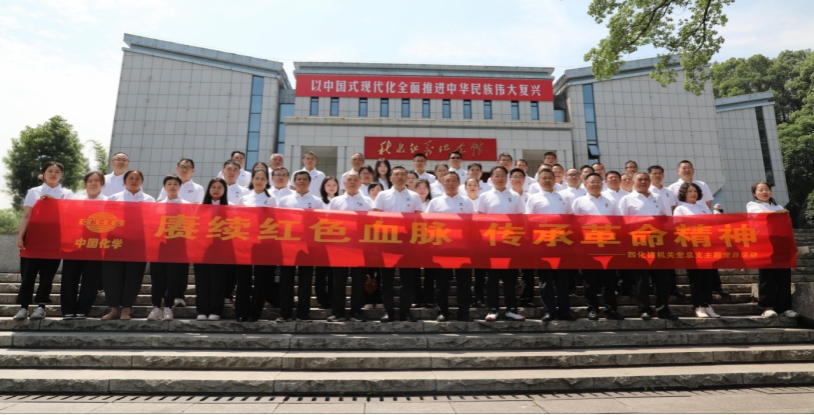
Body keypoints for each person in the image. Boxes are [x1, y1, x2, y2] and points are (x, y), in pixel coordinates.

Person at [14, 161, 74, 320]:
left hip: (54, 240)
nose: (53, 174)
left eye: (57, 171)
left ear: (61, 175)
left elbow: (69, 215)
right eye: (50, 171)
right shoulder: (33, 192)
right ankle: (24, 307)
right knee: (28, 274)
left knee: (47, 275)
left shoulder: (67, 193)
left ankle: (41, 306)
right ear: (44, 174)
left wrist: (53, 202)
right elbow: (26, 215)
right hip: (33, 239)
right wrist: (20, 236)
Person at [617, 173, 678, 320]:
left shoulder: (658, 197)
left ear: (650, 182)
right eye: (640, 179)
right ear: (633, 182)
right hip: (639, 244)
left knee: (663, 279)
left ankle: (663, 309)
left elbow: (667, 218)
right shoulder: (626, 199)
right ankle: (644, 309)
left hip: (658, 243)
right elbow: (621, 223)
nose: (643, 182)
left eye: (646, 179)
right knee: (642, 279)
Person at [667, 160, 729, 298]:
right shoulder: (672, 188)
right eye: (683, 168)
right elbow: (673, 208)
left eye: (689, 167)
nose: (686, 170)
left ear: (693, 170)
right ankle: (698, 300)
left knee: (710, 264)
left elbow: (707, 204)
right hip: (688, 235)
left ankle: (716, 287)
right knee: (695, 270)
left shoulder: (702, 184)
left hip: (704, 232)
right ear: (678, 171)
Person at [103, 170, 155, 320]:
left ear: (142, 181)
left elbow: (153, 222)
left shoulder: (149, 200)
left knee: (134, 276)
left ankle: (126, 309)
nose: (134, 181)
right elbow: (107, 220)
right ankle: (113, 309)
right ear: (124, 181)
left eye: (137, 178)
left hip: (138, 244)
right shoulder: (114, 198)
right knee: (113, 276)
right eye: (131, 178)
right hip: (116, 242)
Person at [373, 166, 423, 322]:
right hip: (387, 242)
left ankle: (405, 311)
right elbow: (375, 218)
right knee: (386, 280)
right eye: (396, 174)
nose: (400, 177)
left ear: (407, 178)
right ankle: (388, 311)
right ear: (390, 178)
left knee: (407, 281)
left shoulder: (414, 196)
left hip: (408, 243)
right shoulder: (382, 195)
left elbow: (419, 219)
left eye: (403, 174)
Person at [572, 172, 623, 321]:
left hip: (608, 245)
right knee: (590, 280)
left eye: (598, 182)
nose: (595, 184)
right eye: (592, 182)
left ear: (603, 184)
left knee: (609, 281)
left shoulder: (611, 201)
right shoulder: (579, 202)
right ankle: (593, 309)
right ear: (585, 184)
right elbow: (574, 224)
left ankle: (611, 309)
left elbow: (618, 222)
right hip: (588, 246)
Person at [425, 172, 475, 321]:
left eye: (454, 181)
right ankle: (442, 312)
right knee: (442, 284)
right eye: (447, 181)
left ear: (459, 183)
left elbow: (473, 224)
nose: (451, 184)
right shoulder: (435, 202)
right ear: (442, 184)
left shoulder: (467, 201)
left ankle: (464, 312)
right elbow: (428, 225)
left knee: (464, 283)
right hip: (442, 249)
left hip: (462, 248)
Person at [478, 166, 525, 322]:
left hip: (510, 244)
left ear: (507, 178)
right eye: (496, 176)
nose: (500, 178)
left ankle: (511, 309)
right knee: (492, 279)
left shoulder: (515, 196)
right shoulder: (484, 196)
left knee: (511, 278)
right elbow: (480, 220)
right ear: (491, 178)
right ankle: (493, 309)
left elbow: (521, 219)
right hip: (491, 244)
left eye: (503, 175)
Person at [525, 168, 573, 321]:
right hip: (543, 243)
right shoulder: (533, 198)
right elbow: (528, 222)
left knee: (562, 280)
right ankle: (549, 311)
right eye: (544, 178)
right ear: (538, 181)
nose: (547, 181)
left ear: (555, 180)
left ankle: (564, 311)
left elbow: (570, 220)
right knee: (546, 280)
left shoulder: (563, 197)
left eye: (550, 178)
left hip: (561, 243)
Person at [747, 182, 799, 318]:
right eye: (760, 190)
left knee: (784, 276)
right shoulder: (752, 205)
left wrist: (792, 245)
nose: (764, 192)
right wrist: (778, 213)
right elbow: (761, 216)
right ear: (754, 193)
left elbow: (787, 227)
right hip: (764, 244)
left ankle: (784, 307)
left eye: (767, 189)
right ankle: (767, 307)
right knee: (767, 276)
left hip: (781, 244)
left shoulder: (778, 207)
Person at [277, 171, 323, 321]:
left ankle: (303, 313)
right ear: (294, 182)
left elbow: (321, 223)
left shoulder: (317, 201)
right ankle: (285, 313)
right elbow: (279, 221)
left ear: (310, 182)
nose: (301, 181)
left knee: (306, 280)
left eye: (304, 179)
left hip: (308, 246)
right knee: (286, 279)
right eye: (299, 179)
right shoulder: (285, 200)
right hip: (288, 245)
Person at [327, 171, 373, 322]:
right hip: (340, 247)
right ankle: (338, 312)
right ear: (344, 183)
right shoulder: (336, 201)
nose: (352, 182)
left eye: (355, 180)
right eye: (349, 180)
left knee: (358, 281)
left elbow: (372, 223)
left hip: (360, 247)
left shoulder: (368, 202)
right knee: (338, 281)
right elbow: (329, 223)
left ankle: (356, 311)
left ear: (360, 183)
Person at [60, 171, 107, 320]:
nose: (93, 183)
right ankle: (68, 309)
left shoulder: (109, 202)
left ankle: (83, 310)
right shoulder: (75, 200)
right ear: (85, 183)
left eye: (97, 181)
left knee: (91, 279)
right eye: (90, 180)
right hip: (75, 243)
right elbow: (65, 218)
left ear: (102, 183)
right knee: (69, 277)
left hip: (96, 245)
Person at [234, 168, 278, 322]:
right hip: (245, 242)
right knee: (243, 279)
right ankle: (241, 311)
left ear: (267, 181)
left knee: (261, 279)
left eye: (262, 178)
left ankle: (255, 313)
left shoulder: (272, 199)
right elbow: (238, 219)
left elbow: (274, 221)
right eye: (257, 178)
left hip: (263, 243)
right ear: (252, 180)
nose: (259, 181)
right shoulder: (244, 199)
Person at [673, 182, 720, 318]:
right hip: (691, 247)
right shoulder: (680, 209)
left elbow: (711, 225)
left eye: (695, 191)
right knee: (696, 278)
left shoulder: (703, 207)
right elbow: (678, 228)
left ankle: (707, 305)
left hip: (706, 246)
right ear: (684, 194)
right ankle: (698, 306)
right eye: (690, 191)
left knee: (708, 278)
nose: (693, 194)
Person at [148, 175, 190, 322]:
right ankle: (156, 306)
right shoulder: (157, 205)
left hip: (177, 246)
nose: (172, 186)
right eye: (169, 184)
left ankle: (168, 307)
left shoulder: (186, 205)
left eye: (175, 184)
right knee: (157, 276)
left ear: (180, 187)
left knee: (173, 277)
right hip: (159, 246)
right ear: (164, 187)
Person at [193, 178, 230, 321]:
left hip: (221, 250)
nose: (216, 190)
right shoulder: (201, 207)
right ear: (208, 189)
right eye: (213, 187)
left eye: (220, 187)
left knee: (218, 281)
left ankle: (216, 310)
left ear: (224, 190)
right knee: (202, 280)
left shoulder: (230, 207)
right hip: (202, 249)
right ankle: (202, 310)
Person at [648, 165, 685, 299]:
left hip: (668, 230)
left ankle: (672, 288)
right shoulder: (647, 191)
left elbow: (673, 209)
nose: (657, 175)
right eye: (654, 173)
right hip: (652, 232)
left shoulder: (669, 191)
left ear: (663, 175)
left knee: (669, 260)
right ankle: (655, 289)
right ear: (650, 176)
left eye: (659, 173)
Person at [220, 160, 252, 306]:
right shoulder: (216, 187)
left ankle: (227, 295)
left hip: (236, 234)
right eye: (229, 169)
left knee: (232, 268)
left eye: (235, 170)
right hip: (217, 233)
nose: (231, 172)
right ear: (223, 171)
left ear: (239, 173)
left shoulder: (245, 192)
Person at [509, 168, 535, 308]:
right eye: (515, 176)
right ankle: (511, 299)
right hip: (510, 238)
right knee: (511, 272)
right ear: (510, 179)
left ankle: (527, 298)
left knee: (528, 271)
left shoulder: (531, 197)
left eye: (520, 176)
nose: (518, 179)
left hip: (527, 238)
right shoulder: (506, 196)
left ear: (525, 180)